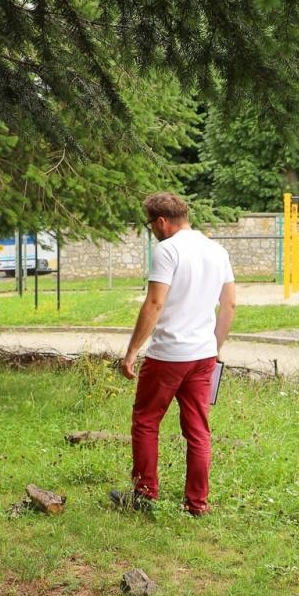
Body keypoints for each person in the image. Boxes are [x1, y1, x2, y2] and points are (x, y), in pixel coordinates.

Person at [116, 192, 237, 516]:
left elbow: (155, 303)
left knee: (145, 421)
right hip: (203, 355)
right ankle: (197, 503)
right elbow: (229, 305)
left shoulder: (167, 250)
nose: (152, 231)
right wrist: (215, 346)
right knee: (198, 431)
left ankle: (145, 493)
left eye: (150, 225)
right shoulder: (216, 250)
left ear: (161, 222)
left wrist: (130, 353)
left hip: (168, 355)